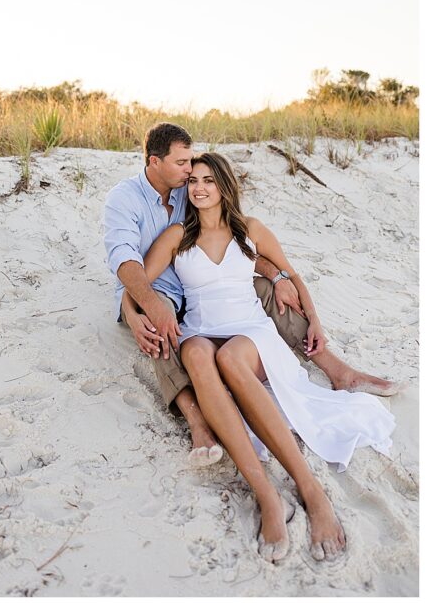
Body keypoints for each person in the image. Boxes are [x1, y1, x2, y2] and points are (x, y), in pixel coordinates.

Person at [126, 152, 394, 561]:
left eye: (208, 181)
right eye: (193, 180)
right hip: (201, 328)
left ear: (224, 186)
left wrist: (315, 322)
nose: (199, 188)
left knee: (231, 358)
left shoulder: (249, 230)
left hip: (250, 333)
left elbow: (290, 273)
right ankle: (268, 495)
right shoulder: (177, 235)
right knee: (197, 354)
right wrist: (132, 314)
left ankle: (311, 491)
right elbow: (137, 283)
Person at [103, 123, 396, 465]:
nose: (190, 174)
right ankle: (197, 421)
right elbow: (126, 265)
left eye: (195, 170)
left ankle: (336, 369)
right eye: (183, 165)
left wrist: (277, 274)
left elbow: (228, 238)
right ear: (155, 162)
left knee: (267, 289)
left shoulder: (187, 189)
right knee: (163, 322)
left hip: (196, 282)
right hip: (153, 288)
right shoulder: (125, 199)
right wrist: (141, 311)